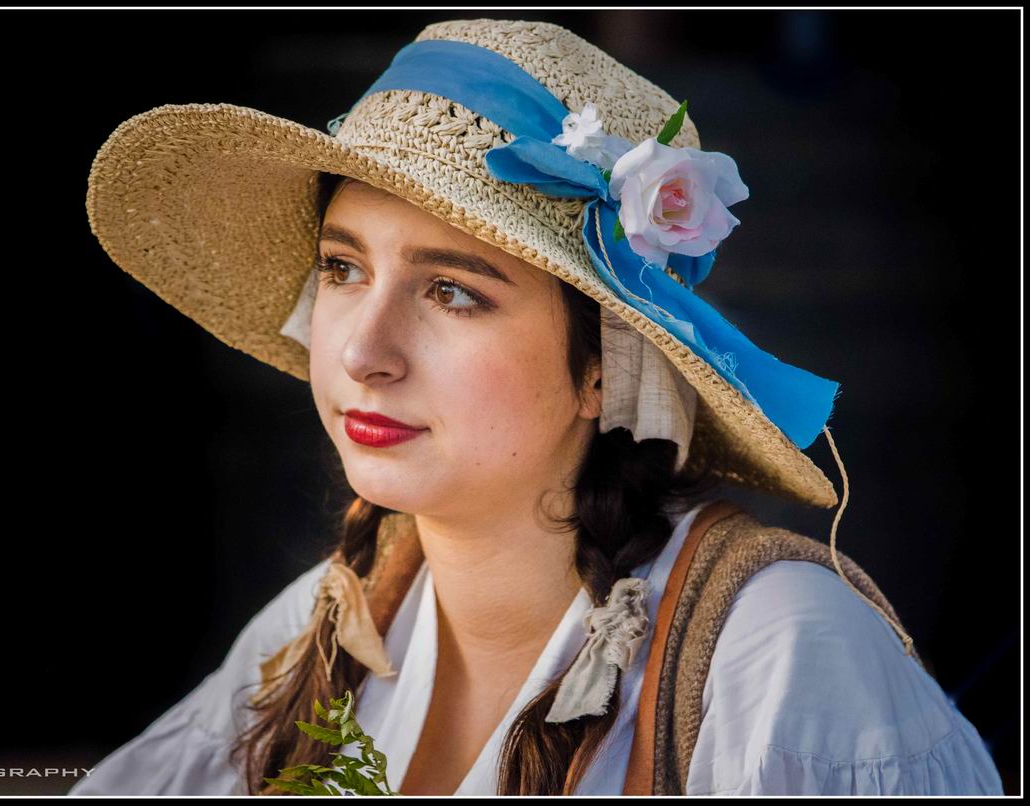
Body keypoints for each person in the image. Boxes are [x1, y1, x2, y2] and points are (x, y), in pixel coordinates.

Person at [71, 18, 1003, 796]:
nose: (359, 353)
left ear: (602, 368)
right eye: (343, 268)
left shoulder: (780, 657)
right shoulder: (322, 629)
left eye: (452, 292)